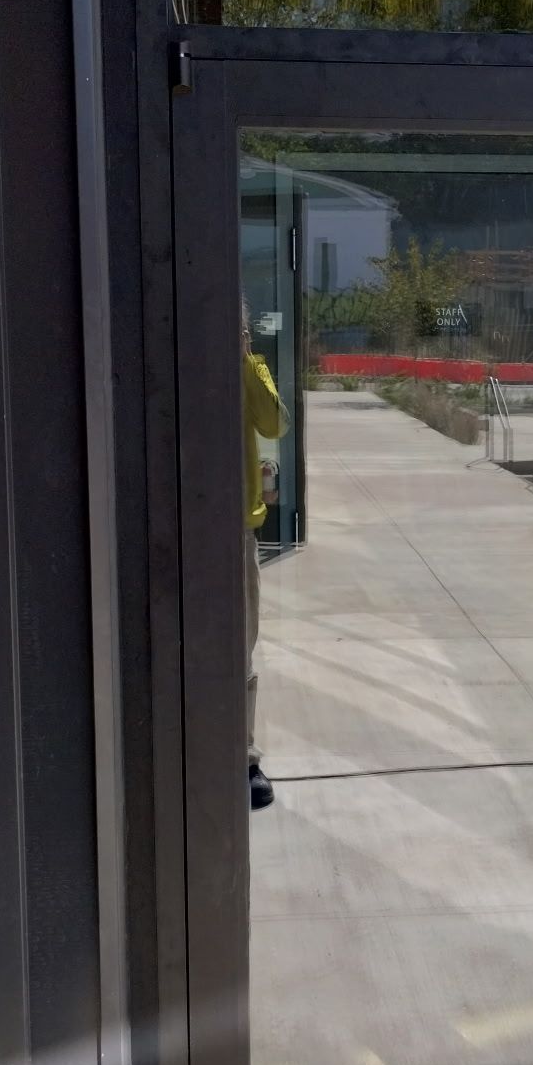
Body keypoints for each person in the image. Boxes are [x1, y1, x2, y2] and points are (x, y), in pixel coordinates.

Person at [242, 305, 287, 809]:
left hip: (237, 530)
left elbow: (275, 424)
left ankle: (244, 757)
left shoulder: (249, 370)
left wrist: (248, 360)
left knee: (241, 646)